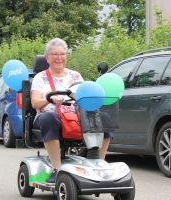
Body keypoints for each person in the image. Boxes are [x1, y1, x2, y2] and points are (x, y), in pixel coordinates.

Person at [31, 38, 112, 184]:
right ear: (47, 57)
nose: (59, 58)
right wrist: (49, 99)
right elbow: (35, 102)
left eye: (62, 54)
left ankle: (98, 164)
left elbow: (84, 96)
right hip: (49, 115)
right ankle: (57, 169)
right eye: (55, 54)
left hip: (75, 115)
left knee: (105, 118)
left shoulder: (76, 76)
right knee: (49, 117)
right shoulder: (40, 78)